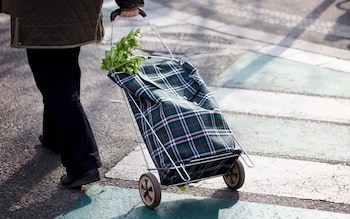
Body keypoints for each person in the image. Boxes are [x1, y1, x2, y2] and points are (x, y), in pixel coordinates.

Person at [9, 0, 144, 189]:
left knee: (55, 81)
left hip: (42, 12)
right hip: (78, 7)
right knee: (64, 69)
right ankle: (55, 137)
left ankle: (83, 165)